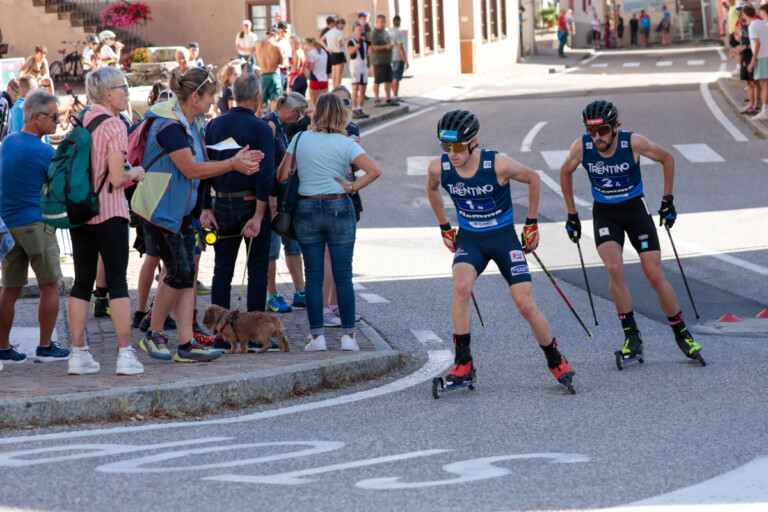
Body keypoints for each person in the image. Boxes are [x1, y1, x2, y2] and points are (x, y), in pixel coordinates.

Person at [425, 109, 576, 390]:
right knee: (461, 287)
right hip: (470, 239)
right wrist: (444, 226)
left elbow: (533, 178)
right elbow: (431, 189)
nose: (452, 153)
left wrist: (531, 224)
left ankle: (554, 358)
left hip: (504, 238)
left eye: (457, 146)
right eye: (446, 146)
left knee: (525, 304)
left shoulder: (498, 165)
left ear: (473, 142)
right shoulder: (439, 168)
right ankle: (463, 362)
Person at [559, 100, 704, 366]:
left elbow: (667, 158)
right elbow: (564, 172)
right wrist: (572, 214)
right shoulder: (581, 147)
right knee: (614, 269)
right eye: (592, 131)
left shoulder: (632, 143)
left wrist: (668, 201)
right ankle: (632, 337)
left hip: (635, 210)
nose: (597, 137)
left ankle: (682, 333)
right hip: (605, 213)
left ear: (615, 127)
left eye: (603, 130)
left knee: (654, 273)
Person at [135, 67, 262, 363]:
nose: (214, 102)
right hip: (160, 210)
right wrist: (232, 164)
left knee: (185, 275)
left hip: (178, 211)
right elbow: (191, 169)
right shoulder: (170, 126)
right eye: (210, 97)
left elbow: (197, 166)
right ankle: (153, 334)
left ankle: (186, 344)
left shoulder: (190, 123)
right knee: (179, 273)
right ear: (195, 97)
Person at [275, 93, 381, 351]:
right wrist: (352, 187)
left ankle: (317, 338)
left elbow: (281, 176)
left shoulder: (300, 138)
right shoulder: (346, 142)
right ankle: (349, 338)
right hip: (339, 205)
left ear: (316, 113)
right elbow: (374, 170)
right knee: (343, 275)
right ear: (341, 115)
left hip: (307, 207)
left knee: (313, 276)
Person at [61, 68, 146, 375]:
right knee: (117, 281)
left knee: (82, 282)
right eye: (123, 88)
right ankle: (125, 355)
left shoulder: (82, 119)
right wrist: (135, 173)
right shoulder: (113, 124)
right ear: (108, 94)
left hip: (80, 212)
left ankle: (78, 354)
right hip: (109, 212)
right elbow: (117, 177)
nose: (127, 93)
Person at [202, 73, 275, 348]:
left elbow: (204, 170)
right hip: (251, 202)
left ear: (232, 95)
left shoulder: (213, 125)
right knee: (257, 270)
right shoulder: (261, 128)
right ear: (257, 97)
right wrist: (258, 216)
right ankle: (255, 336)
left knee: (222, 270)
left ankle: (221, 336)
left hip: (221, 204)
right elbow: (265, 177)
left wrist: (206, 207)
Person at [0, 89, 69, 366]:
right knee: (50, 286)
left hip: (8, 225)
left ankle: (3, 348)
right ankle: (45, 347)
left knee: (10, 289)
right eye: (54, 116)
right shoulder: (44, 151)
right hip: (36, 223)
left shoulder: (9, 140)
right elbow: (62, 186)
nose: (57, 121)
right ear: (37, 117)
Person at [263, 92, 309, 314]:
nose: (299, 119)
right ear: (292, 110)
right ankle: (272, 294)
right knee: (271, 248)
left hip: (286, 195)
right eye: (299, 114)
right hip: (274, 196)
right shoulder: (270, 125)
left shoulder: (281, 125)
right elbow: (266, 163)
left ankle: (300, 291)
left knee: (292, 243)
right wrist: (270, 195)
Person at [732, 4, 762, 115]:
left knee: (755, 82)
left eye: (742, 13)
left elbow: (755, 43)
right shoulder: (744, 25)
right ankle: (751, 104)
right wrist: (739, 33)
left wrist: (743, 47)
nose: (741, 15)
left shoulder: (754, 25)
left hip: (752, 55)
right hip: (745, 56)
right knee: (748, 82)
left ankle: (756, 105)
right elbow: (740, 39)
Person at [370, 14, 399, 106]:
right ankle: (377, 99)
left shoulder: (385, 32)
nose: (383, 24)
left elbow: (389, 41)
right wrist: (385, 47)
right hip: (379, 61)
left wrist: (390, 45)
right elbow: (373, 47)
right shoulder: (374, 33)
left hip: (387, 60)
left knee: (388, 80)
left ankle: (388, 98)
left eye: (384, 22)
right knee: (377, 80)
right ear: (377, 22)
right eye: (381, 22)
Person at [254, 28, 284, 112]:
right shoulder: (276, 46)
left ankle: (256, 119)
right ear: (275, 35)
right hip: (274, 75)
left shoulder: (258, 44)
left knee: (260, 103)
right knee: (274, 102)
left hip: (263, 75)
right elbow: (281, 62)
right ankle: (273, 119)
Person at [747, 4, 768, 120]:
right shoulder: (764, 23)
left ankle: (765, 111)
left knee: (764, 85)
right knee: (764, 85)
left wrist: (752, 61)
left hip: (761, 56)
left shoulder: (753, 26)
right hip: (765, 55)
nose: (761, 14)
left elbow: (757, 44)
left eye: (762, 12)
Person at [348, 22, 370, 119]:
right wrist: (359, 43)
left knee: (363, 89)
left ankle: (360, 108)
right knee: (355, 89)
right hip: (355, 67)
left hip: (363, 67)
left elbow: (367, 54)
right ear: (354, 31)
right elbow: (351, 51)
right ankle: (354, 109)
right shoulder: (351, 42)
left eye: (362, 30)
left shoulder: (365, 43)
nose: (360, 32)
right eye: (358, 30)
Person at [388, 15, 409, 101]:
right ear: (399, 22)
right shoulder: (398, 33)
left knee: (392, 76)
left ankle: (394, 94)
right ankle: (395, 95)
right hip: (397, 57)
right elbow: (400, 47)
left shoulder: (388, 31)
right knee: (396, 77)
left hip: (390, 56)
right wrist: (406, 60)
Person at [304, 38, 328, 107]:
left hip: (315, 80)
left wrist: (306, 64)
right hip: (324, 79)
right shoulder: (324, 52)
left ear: (309, 45)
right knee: (324, 104)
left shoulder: (311, 54)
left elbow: (310, 68)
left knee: (315, 105)